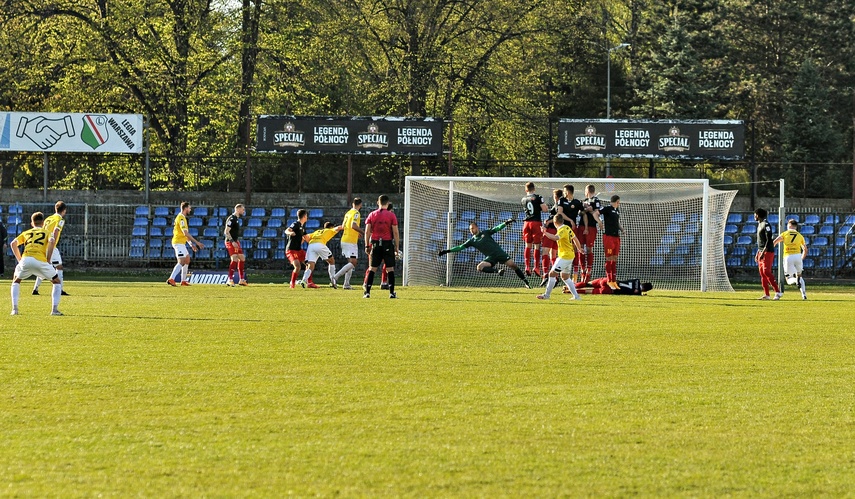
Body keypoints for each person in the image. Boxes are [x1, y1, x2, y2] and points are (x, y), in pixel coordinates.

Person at [438, 219, 531, 289]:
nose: (471, 230)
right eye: (470, 229)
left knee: (513, 266)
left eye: (473, 228)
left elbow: (496, 228)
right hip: (491, 257)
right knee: (479, 267)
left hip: (499, 253)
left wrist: (506, 222)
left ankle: (526, 282)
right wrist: (447, 251)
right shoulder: (472, 240)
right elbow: (460, 247)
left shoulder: (485, 233)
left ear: (477, 227)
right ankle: (498, 271)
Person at [10, 211, 63, 315]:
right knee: (56, 281)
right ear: (43, 223)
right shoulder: (47, 232)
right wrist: (48, 259)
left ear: (32, 223)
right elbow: (52, 241)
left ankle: (14, 309)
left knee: (16, 280)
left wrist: (20, 260)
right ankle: (54, 310)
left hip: (26, 259)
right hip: (40, 261)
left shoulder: (26, 232)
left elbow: (13, 244)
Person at [536, 214, 582, 300]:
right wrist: (579, 249)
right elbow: (575, 239)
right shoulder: (567, 228)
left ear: (554, 222)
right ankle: (576, 296)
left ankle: (547, 295)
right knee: (565, 276)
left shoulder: (562, 229)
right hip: (570, 255)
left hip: (565, 256)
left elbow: (555, 238)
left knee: (552, 274)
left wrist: (545, 232)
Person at [363, 195, 400, 298]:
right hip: (387, 243)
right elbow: (395, 232)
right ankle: (392, 293)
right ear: (387, 203)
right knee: (390, 268)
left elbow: (367, 231)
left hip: (375, 243)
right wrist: (397, 246)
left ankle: (367, 292)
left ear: (377, 202)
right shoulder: (391, 215)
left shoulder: (372, 215)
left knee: (372, 268)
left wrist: (367, 245)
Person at [33, 201, 69, 296]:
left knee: (44, 266)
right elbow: (56, 230)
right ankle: (60, 289)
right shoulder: (60, 219)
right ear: (64, 210)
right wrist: (53, 243)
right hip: (51, 245)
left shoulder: (49, 218)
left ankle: (35, 289)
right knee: (59, 267)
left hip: (43, 244)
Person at [166, 202, 205, 286]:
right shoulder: (181, 218)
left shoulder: (182, 217)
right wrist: (197, 242)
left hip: (181, 242)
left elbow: (184, 234)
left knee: (187, 259)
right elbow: (185, 233)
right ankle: (171, 278)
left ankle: (183, 281)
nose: (190, 210)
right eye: (189, 208)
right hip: (178, 242)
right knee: (182, 260)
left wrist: (191, 244)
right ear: (185, 208)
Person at [298, 222, 343, 288]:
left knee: (311, 265)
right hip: (320, 245)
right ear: (331, 227)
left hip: (311, 246)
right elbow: (339, 227)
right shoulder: (329, 230)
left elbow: (305, 237)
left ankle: (303, 280)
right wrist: (347, 226)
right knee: (331, 261)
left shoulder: (317, 232)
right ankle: (333, 282)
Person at [332, 197, 363, 290]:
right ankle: (335, 277)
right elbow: (353, 225)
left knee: (350, 262)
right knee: (354, 262)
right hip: (350, 241)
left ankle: (346, 284)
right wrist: (362, 232)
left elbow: (344, 226)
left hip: (345, 238)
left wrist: (356, 233)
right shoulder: (356, 213)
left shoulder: (348, 213)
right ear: (360, 205)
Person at [773, 219, 808, 300]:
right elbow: (805, 249)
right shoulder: (800, 235)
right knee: (799, 275)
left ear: (789, 226)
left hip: (788, 256)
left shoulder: (785, 233)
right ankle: (804, 295)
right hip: (798, 256)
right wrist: (801, 258)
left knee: (789, 279)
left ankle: (796, 281)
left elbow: (775, 242)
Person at [753, 208, 782, 300]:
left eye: (755, 214)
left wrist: (764, 251)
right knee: (762, 273)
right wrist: (758, 252)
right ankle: (767, 294)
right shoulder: (759, 224)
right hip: (761, 251)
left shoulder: (766, 224)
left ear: (758, 215)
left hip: (768, 251)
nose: (754, 216)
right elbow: (761, 241)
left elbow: (769, 239)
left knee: (766, 272)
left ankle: (777, 291)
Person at [521, 181, 549, 277]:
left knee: (527, 245)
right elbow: (545, 209)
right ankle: (536, 267)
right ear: (534, 189)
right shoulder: (538, 197)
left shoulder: (523, 199)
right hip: (536, 222)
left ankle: (527, 266)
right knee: (537, 246)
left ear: (526, 190)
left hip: (526, 223)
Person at [599, 195, 625, 289]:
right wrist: (599, 222)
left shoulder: (617, 210)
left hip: (616, 237)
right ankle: (609, 279)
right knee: (609, 258)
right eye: (619, 202)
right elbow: (595, 213)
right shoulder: (607, 209)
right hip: (608, 237)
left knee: (614, 258)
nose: (619, 203)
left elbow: (616, 222)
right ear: (617, 201)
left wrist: (622, 229)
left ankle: (614, 280)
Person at [562, 184, 586, 282]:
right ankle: (563, 274)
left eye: (564, 191)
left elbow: (583, 213)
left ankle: (575, 277)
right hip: (563, 229)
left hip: (572, 229)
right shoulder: (562, 201)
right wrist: (570, 220)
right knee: (564, 250)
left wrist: (584, 212)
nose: (563, 193)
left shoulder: (577, 202)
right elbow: (560, 213)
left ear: (567, 192)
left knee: (575, 251)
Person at [580, 184, 603, 284]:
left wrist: (591, 210)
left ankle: (588, 271)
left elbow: (597, 212)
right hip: (581, 226)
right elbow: (581, 213)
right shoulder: (584, 201)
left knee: (589, 248)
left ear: (587, 191)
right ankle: (582, 269)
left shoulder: (595, 200)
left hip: (591, 227)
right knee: (580, 247)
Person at [285, 209, 310, 289]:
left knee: (309, 264)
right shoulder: (296, 224)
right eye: (306, 216)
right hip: (291, 250)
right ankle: (292, 283)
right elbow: (287, 230)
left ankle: (309, 282)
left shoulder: (302, 227)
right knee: (297, 266)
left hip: (299, 250)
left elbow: (307, 238)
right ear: (304, 216)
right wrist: (290, 233)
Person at [224, 204, 248, 286]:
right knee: (234, 258)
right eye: (242, 210)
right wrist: (232, 241)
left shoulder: (237, 219)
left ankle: (241, 280)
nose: (243, 211)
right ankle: (230, 279)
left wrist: (236, 241)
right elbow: (226, 231)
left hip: (235, 241)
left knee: (242, 258)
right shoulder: (232, 218)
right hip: (230, 242)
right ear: (238, 209)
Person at [574, 277, 653, 295]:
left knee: (588, 284)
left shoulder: (637, 280)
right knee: (588, 291)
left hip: (609, 282)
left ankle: (570, 287)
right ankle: (569, 292)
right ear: (645, 290)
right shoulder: (637, 293)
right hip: (611, 290)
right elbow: (637, 291)